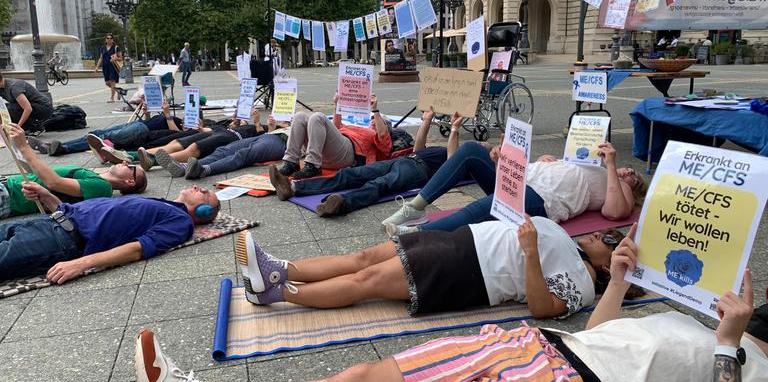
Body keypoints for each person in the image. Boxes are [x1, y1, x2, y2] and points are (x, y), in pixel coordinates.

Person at [135, 228, 768, 381]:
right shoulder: (692, 319)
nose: (606, 239)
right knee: (361, 374)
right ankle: (276, 281)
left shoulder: (745, 360)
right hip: (543, 349)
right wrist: (620, 286)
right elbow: (600, 336)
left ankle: (281, 285)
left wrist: (729, 345)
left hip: (558, 374)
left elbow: (549, 305)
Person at [235, 214, 639, 321]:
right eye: (608, 234)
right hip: (463, 242)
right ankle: (279, 269)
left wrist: (531, 252)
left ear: (609, 269)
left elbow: (541, 307)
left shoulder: (585, 283)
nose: (600, 236)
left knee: (366, 281)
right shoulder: (571, 244)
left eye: (609, 242)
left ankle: (276, 291)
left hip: (470, 269)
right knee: (363, 259)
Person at [382, 141, 646, 237]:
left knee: (479, 209)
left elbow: (614, 212)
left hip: (543, 200)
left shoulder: (617, 185)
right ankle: (415, 208)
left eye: (634, 177)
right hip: (521, 182)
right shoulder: (591, 165)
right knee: (471, 150)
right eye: (629, 169)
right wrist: (504, 163)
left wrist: (612, 167)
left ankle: (418, 234)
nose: (630, 171)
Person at [270, 110, 480, 217]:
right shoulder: (450, 151)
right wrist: (426, 121)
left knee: (379, 185)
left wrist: (454, 131)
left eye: (484, 147)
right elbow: (418, 150)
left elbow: (452, 164)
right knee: (349, 176)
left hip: (417, 170)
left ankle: (342, 204)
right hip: (405, 161)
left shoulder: (465, 161)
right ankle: (294, 187)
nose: (483, 144)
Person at [0, 183, 219, 282]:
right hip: (47, 222)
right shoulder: (167, 206)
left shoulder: (181, 222)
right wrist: (46, 196)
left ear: (204, 211)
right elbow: (72, 212)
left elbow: (138, 249)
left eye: (206, 194)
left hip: (59, 239)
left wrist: (81, 263)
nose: (202, 188)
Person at [0, 124, 147, 219]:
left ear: (130, 181)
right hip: (9, 188)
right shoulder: (94, 178)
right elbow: (35, 172)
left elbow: (54, 183)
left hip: (9, 195)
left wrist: (24, 147)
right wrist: (16, 145)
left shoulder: (103, 187)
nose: (125, 162)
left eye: (130, 167)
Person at [276, 93, 392, 179]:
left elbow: (382, 134)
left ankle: (313, 166)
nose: (373, 121)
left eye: (380, 121)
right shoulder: (358, 128)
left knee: (318, 117)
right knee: (299, 116)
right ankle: (292, 162)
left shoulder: (377, 136)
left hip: (347, 155)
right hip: (325, 153)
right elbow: (337, 127)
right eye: (372, 119)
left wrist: (376, 110)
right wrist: (337, 104)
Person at [136, 107, 270, 175]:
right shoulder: (234, 122)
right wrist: (203, 128)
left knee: (194, 148)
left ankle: (153, 160)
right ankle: (137, 157)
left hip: (231, 137)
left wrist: (257, 123)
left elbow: (263, 138)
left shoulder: (261, 128)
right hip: (217, 130)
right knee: (177, 143)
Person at [27, 102, 182, 156]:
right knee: (96, 135)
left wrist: (168, 115)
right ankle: (60, 146)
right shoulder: (179, 119)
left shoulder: (183, 127)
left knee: (100, 139)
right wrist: (147, 113)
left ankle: (63, 148)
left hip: (139, 131)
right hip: (139, 126)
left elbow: (174, 135)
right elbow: (157, 126)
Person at [162, 115, 289, 179]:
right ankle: (185, 167)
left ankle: (204, 169)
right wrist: (273, 126)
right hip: (269, 137)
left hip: (281, 143)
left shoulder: (300, 128)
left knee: (243, 155)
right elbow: (265, 132)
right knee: (224, 150)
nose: (287, 121)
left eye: (289, 121)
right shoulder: (281, 127)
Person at [94, 33, 122, 102]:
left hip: (113, 67)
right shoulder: (103, 48)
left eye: (110, 38)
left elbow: (121, 58)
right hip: (105, 67)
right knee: (107, 83)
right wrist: (97, 67)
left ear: (112, 40)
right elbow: (101, 58)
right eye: (108, 38)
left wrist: (115, 59)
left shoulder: (116, 47)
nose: (109, 39)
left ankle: (112, 98)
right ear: (105, 39)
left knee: (112, 81)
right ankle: (118, 91)